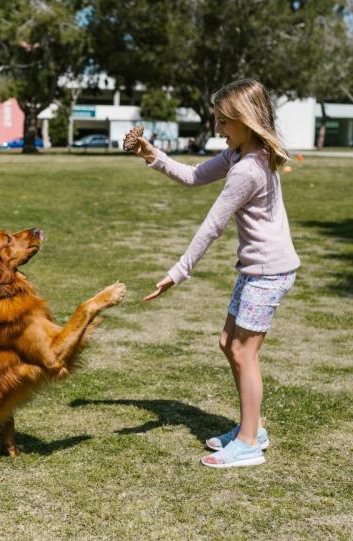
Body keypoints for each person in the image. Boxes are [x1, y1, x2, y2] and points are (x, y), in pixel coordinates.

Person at [124, 79, 300, 468]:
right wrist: (150, 154)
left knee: (243, 350)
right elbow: (192, 176)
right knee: (228, 343)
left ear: (246, 121)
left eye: (224, 122)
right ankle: (251, 427)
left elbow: (212, 225)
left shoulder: (248, 169)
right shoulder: (239, 154)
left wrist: (177, 272)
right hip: (257, 270)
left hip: (269, 272)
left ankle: (250, 443)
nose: (218, 130)